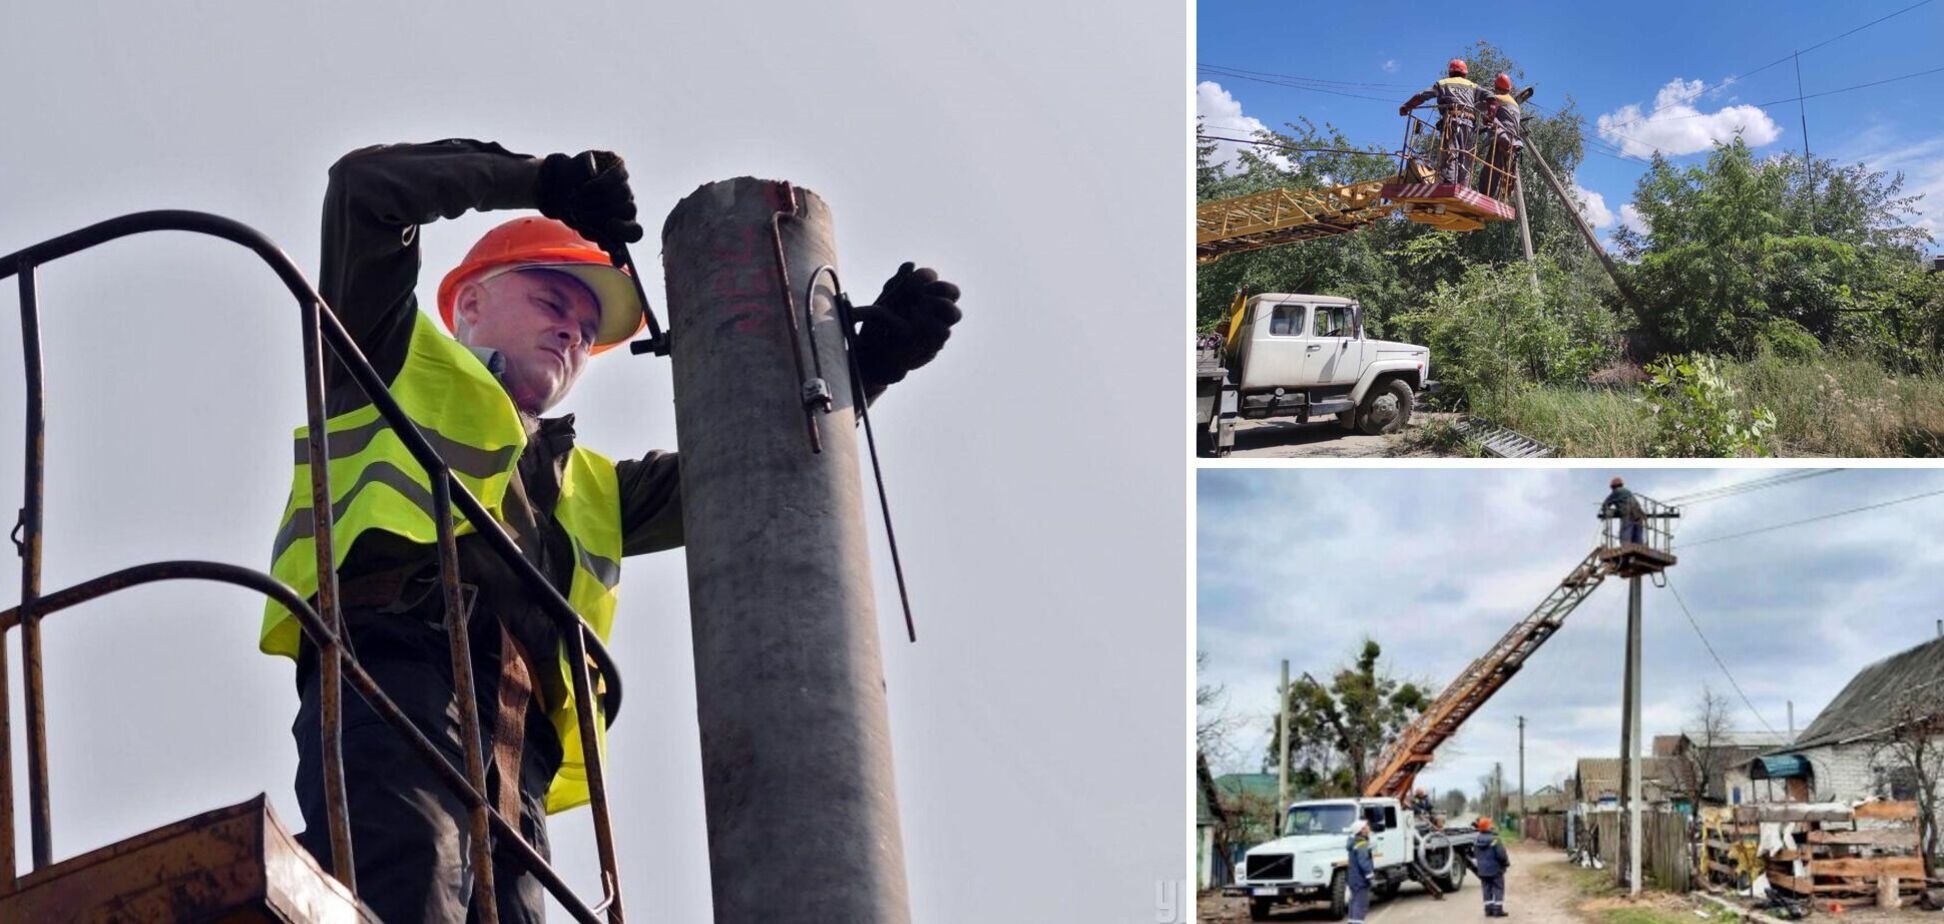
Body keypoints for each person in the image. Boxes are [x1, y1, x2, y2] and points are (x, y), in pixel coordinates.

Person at [259, 139, 963, 923]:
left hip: (519, 758)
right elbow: (364, 188)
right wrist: (538, 181)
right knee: (410, 890)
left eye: (587, 329)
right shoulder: (383, 355)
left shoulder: (589, 485)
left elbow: (746, 471)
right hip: (395, 672)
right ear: (470, 304)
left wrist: (858, 370)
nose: (572, 333)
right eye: (554, 302)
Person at [1399, 59, 1487, 186]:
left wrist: (1407, 106)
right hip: (1469, 125)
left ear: (1450, 72)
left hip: (1452, 122)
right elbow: (1491, 98)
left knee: (1450, 154)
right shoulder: (1473, 86)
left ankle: (1448, 185)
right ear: (1465, 74)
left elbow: (1421, 96)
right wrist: (1490, 115)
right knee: (1465, 156)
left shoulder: (1443, 83)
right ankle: (1463, 186)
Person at [1481, 73, 1523, 201]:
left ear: (1496, 87)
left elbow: (1479, 105)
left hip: (1502, 140)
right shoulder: (1515, 105)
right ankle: (1492, 197)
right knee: (1499, 173)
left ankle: (1485, 197)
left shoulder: (1498, 98)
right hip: (1513, 144)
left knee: (1488, 174)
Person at [1474, 816, 1511, 917]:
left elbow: (1475, 854)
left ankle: (1488, 910)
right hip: (1495, 869)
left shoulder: (1477, 840)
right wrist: (1506, 863)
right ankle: (1497, 910)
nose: (1492, 825)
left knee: (1486, 889)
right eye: (1490, 824)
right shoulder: (1494, 839)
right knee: (1498, 888)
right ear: (1488, 827)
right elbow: (1501, 854)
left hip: (1482, 870)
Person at [1601, 475, 1646, 545]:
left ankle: (1626, 547)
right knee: (1637, 536)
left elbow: (1605, 505)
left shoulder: (1616, 492)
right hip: (1639, 513)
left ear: (1613, 487)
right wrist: (1616, 511)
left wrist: (1608, 512)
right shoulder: (1628, 492)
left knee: (1626, 533)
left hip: (1628, 513)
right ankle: (1639, 547)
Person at [1347, 818, 1376, 924]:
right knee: (1361, 903)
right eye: (1366, 826)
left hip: (1353, 878)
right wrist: (1370, 876)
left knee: (1354, 901)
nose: (1368, 827)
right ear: (1361, 830)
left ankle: (1352, 921)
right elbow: (1364, 862)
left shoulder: (1354, 842)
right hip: (1360, 879)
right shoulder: (1361, 843)